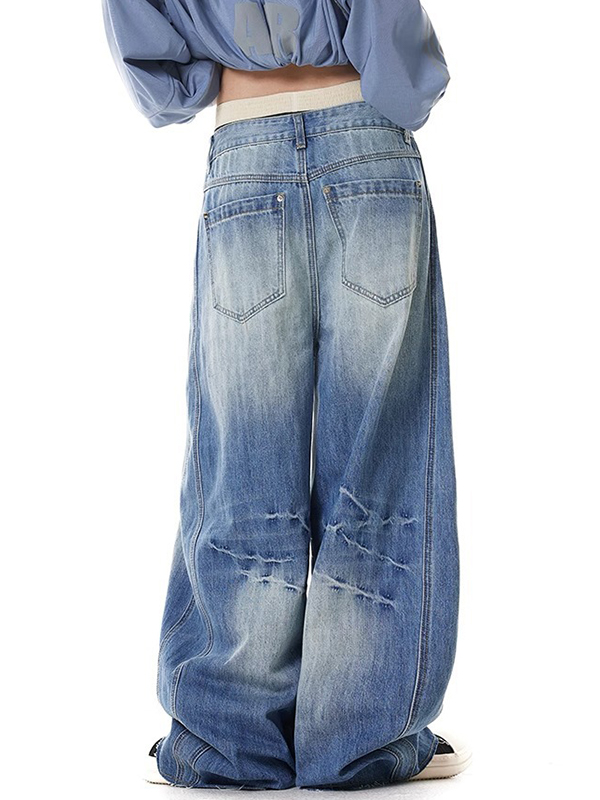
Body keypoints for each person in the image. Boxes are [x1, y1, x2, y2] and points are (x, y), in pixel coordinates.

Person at [101, 0, 471, 789]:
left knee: (240, 460)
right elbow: (400, 68)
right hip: (367, 145)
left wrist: (218, 59)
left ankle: (226, 743)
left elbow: (159, 71)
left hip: (248, 145)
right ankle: (361, 740)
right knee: (382, 461)